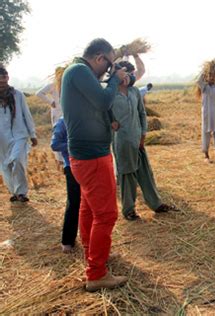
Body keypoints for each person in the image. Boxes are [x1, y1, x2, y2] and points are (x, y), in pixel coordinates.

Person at [61, 38, 128, 292]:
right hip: (92, 157)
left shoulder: (76, 72)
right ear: (99, 58)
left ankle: (93, 255)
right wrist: (114, 79)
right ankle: (97, 273)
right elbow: (102, 101)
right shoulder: (79, 70)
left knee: (88, 209)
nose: (109, 70)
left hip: (85, 155)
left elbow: (96, 105)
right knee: (107, 214)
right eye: (108, 64)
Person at [111, 61, 176, 220]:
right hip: (122, 140)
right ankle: (129, 210)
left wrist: (143, 135)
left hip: (137, 138)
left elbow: (142, 114)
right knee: (128, 174)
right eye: (124, 74)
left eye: (129, 74)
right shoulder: (109, 93)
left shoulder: (133, 92)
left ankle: (156, 204)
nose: (128, 77)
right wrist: (110, 121)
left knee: (145, 172)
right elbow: (101, 113)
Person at [0, 64, 38, 202]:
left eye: (4, 77)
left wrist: (32, 134)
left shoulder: (18, 95)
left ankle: (21, 192)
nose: (2, 81)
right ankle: (14, 192)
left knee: (17, 160)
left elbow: (26, 115)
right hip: (1, 138)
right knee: (5, 165)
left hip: (19, 135)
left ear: (8, 77)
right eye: (0, 78)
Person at [51, 117, 80, 253]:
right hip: (72, 166)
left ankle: (90, 240)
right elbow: (55, 144)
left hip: (89, 164)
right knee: (74, 203)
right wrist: (73, 145)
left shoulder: (85, 118)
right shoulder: (62, 122)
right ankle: (67, 241)